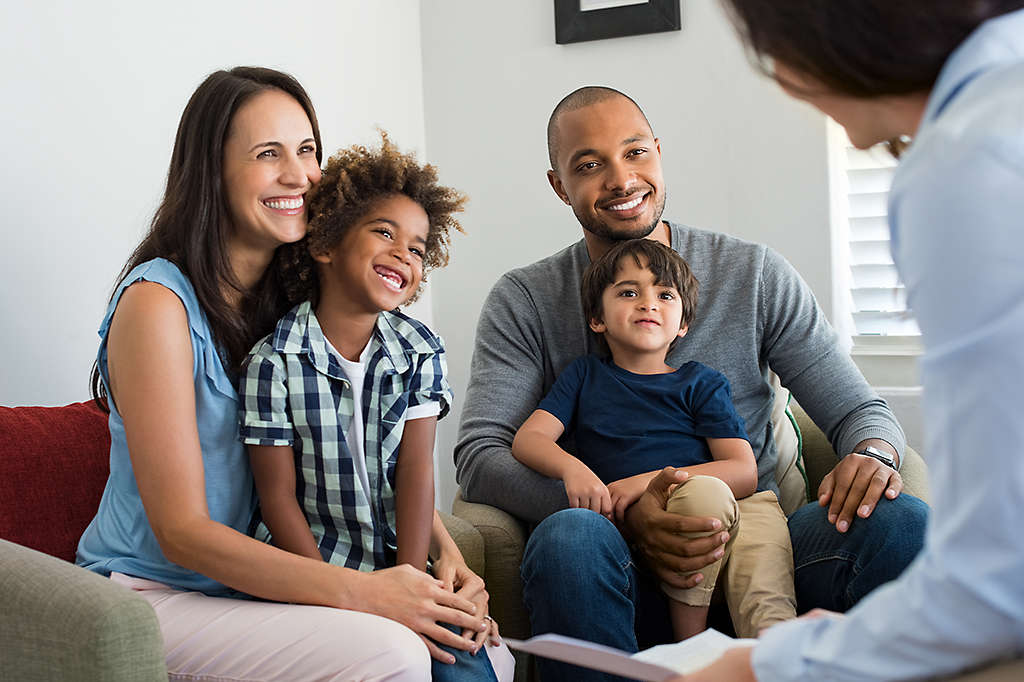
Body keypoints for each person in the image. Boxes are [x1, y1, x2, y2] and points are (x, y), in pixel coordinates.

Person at [455, 84, 928, 680]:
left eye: (634, 153)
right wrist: (621, 511)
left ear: (658, 152)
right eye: (589, 165)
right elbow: (481, 456)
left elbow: (861, 410)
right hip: (607, 554)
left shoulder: (752, 274)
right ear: (559, 185)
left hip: (755, 543)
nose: (621, 179)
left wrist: (874, 453)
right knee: (570, 538)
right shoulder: (526, 299)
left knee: (901, 521)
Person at [76, 66, 496, 681]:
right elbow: (181, 533)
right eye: (267, 154)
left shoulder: (293, 308)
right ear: (211, 172)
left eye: (306, 151)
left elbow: (364, 453)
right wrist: (373, 596)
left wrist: (443, 558)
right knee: (395, 651)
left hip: (253, 588)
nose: (298, 175)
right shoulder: (157, 305)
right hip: (149, 594)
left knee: (472, 646)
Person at [680, 2, 1024, 680]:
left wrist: (763, 664)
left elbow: (994, 584)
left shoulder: (965, 161)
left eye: (773, 48)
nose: (782, 83)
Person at [239, 134, 512, 680]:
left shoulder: (419, 352)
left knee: (465, 668)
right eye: (384, 233)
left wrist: (411, 587)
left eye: (416, 248)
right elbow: (276, 500)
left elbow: (415, 478)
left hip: (399, 567)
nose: (402, 255)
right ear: (326, 244)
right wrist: (333, 594)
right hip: (309, 572)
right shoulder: (271, 363)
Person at [511, 238, 796, 641]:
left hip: (739, 509)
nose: (648, 303)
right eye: (629, 292)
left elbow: (742, 471)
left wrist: (639, 483)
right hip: (652, 526)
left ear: (682, 325)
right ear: (597, 318)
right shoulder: (584, 376)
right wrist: (571, 468)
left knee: (766, 598)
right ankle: (689, 650)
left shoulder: (701, 381)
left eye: (665, 294)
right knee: (700, 499)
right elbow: (529, 439)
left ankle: (771, 661)